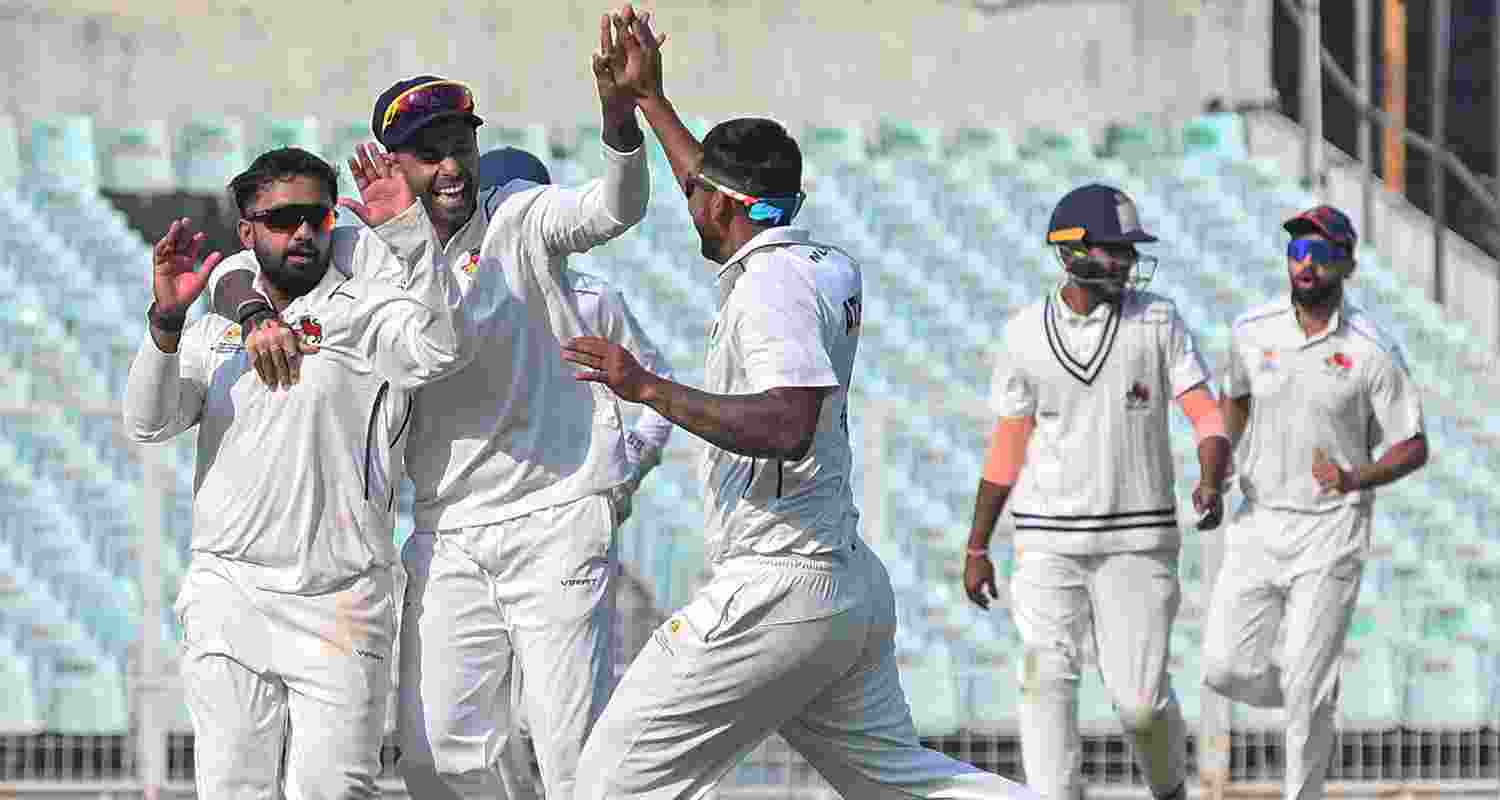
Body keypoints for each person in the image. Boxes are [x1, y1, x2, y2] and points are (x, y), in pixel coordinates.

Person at [562, 9, 1038, 799]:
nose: (688, 199)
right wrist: (650, 100)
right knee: (904, 787)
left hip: (778, 584)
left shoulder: (770, 287)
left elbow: (789, 425)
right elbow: (709, 183)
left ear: (725, 207)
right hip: (840, 581)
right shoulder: (816, 259)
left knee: (609, 782)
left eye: (697, 194)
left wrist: (646, 388)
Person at [204, 19, 654, 799]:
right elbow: (237, 268)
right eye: (428, 153)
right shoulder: (362, 246)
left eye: (461, 147)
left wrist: (620, 119)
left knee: (572, 749)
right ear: (392, 164)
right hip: (447, 526)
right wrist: (251, 314)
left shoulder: (519, 215)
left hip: (555, 514)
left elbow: (617, 206)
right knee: (440, 758)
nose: (451, 168)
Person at [122, 146, 469, 799]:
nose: (304, 231)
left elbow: (437, 349)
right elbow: (147, 423)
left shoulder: (367, 310)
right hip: (231, 590)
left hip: (341, 600)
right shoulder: (215, 330)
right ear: (247, 231)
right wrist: (166, 323)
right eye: (282, 220)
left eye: (318, 216)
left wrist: (410, 236)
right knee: (231, 789)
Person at [961, 183, 1233, 800]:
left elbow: (1207, 415)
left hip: (1138, 541)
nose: (1128, 262)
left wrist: (1211, 478)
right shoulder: (1024, 333)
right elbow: (1007, 449)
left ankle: (1170, 792)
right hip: (1045, 542)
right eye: (1116, 249)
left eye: (1131, 250)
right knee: (1045, 683)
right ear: (1071, 251)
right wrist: (977, 546)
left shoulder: (1157, 319)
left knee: (1139, 704)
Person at [1202, 206, 1428, 800]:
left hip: (1332, 527)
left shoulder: (1372, 349)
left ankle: (1306, 759)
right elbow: (1236, 399)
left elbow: (1413, 445)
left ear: (1347, 265)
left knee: (1307, 683)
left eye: (1321, 254)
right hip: (1259, 520)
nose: (1305, 264)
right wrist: (1216, 469)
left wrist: (1356, 478)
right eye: (1297, 252)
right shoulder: (1252, 330)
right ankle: (1312, 694)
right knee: (1224, 668)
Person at [477, 144, 675, 527]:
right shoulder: (462, 302)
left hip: (575, 507)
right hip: (490, 508)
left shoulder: (594, 300)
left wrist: (630, 463)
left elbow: (658, 384)